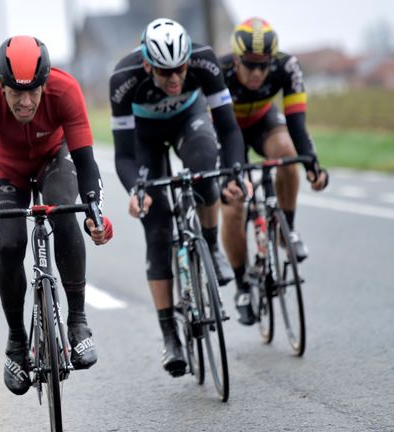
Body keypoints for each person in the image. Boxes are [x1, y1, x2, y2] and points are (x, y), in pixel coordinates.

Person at [0, 35, 114, 396]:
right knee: (12, 243)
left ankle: (77, 320)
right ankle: (17, 341)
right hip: (5, 170)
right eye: (16, 93)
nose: (26, 101)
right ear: (1, 87)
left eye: (34, 91)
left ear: (45, 83)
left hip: (54, 159)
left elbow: (85, 159)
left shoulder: (65, 90)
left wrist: (94, 208)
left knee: (64, 213)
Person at [108, 18, 246, 377]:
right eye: (165, 72)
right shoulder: (123, 80)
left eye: (180, 70)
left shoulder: (204, 61)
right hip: (145, 140)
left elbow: (229, 128)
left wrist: (234, 172)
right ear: (147, 65)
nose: (174, 79)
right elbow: (123, 156)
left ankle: (211, 245)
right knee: (156, 229)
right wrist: (136, 191)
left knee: (205, 169)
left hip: (190, 122)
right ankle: (170, 335)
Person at [219, 17, 329, 325]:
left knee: (287, 154)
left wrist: (311, 164)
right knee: (233, 204)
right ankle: (242, 285)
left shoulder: (287, 67)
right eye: (249, 65)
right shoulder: (219, 70)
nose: (256, 73)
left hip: (264, 122)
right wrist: (228, 175)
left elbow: (297, 122)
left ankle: (287, 230)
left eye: (263, 66)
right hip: (228, 132)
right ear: (236, 59)